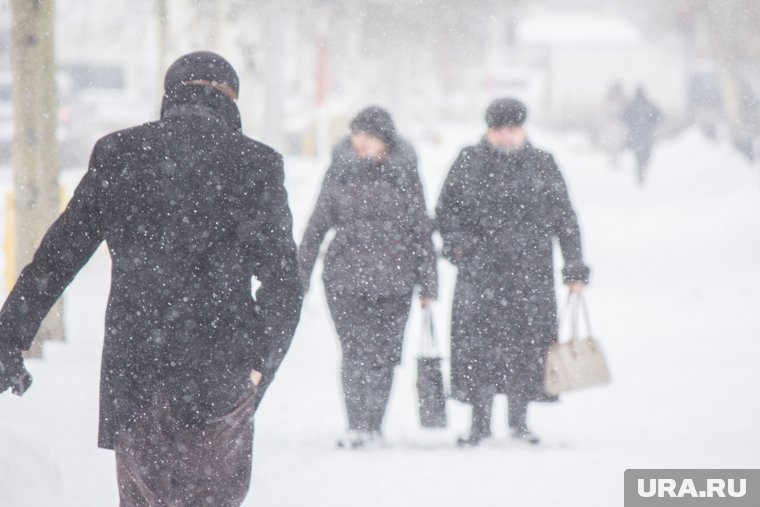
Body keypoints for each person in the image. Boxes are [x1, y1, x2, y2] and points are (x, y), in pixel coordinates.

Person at [0, 51, 303, 506]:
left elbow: (58, 257)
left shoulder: (120, 153)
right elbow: (283, 282)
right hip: (222, 368)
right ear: (232, 99)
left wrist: (10, 335)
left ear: (170, 94)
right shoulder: (256, 164)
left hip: (137, 366)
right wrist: (262, 364)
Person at [435, 98, 590, 447]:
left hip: (529, 275)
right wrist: (460, 248)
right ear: (488, 130)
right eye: (498, 130)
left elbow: (565, 219)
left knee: (526, 348)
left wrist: (574, 267)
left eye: (512, 129)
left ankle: (520, 421)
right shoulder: (468, 162)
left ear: (522, 129)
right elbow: (446, 212)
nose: (505, 137)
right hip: (480, 275)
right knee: (478, 350)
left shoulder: (542, 165)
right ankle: (479, 423)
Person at [298, 106, 437, 449]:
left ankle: (374, 425)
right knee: (355, 353)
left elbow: (421, 230)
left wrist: (429, 283)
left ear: (385, 140)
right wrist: (300, 275)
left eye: (369, 136)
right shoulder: (339, 172)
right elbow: (316, 225)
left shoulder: (405, 174)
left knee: (385, 355)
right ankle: (356, 424)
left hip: (396, 280)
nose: (361, 142)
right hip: (345, 278)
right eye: (356, 134)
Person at [622, 86, 662, 185]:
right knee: (645, 155)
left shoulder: (632, 105)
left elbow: (624, 117)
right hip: (646, 135)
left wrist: (632, 125)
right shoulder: (648, 104)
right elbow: (659, 115)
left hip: (636, 135)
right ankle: (642, 170)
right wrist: (651, 124)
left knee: (638, 156)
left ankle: (640, 171)